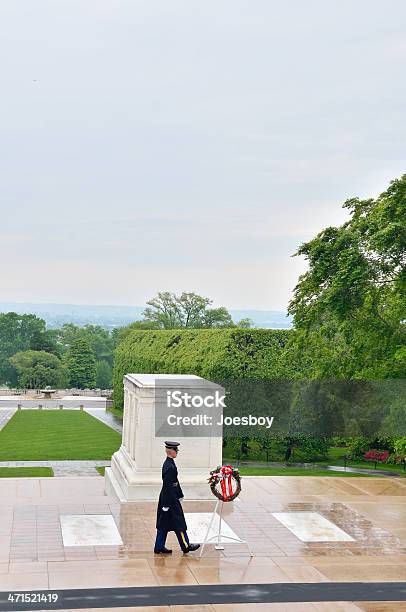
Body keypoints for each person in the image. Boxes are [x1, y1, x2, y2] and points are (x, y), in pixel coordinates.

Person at [154, 441, 200, 554]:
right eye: (176, 451)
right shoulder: (170, 467)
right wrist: (166, 504)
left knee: (163, 524)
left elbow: (175, 482)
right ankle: (185, 545)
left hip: (169, 498)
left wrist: (180, 494)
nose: (177, 453)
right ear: (171, 452)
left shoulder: (169, 463)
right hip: (170, 499)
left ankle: (159, 546)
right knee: (179, 523)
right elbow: (168, 486)